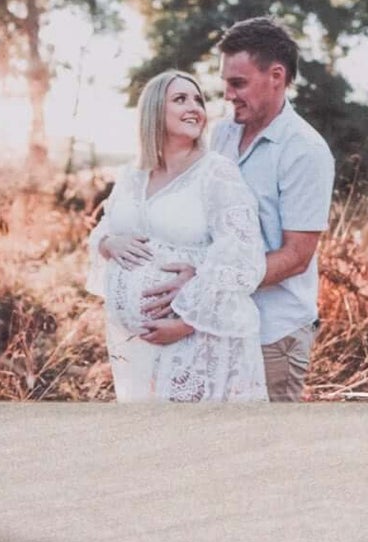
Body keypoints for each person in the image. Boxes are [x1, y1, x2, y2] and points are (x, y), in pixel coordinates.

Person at [87, 71, 268, 402]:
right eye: (180, 99)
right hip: (138, 350)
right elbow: (104, 227)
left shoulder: (217, 173)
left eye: (198, 100)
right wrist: (108, 243)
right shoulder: (132, 174)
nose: (195, 107)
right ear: (154, 109)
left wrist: (186, 323)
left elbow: (242, 254)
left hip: (199, 338)